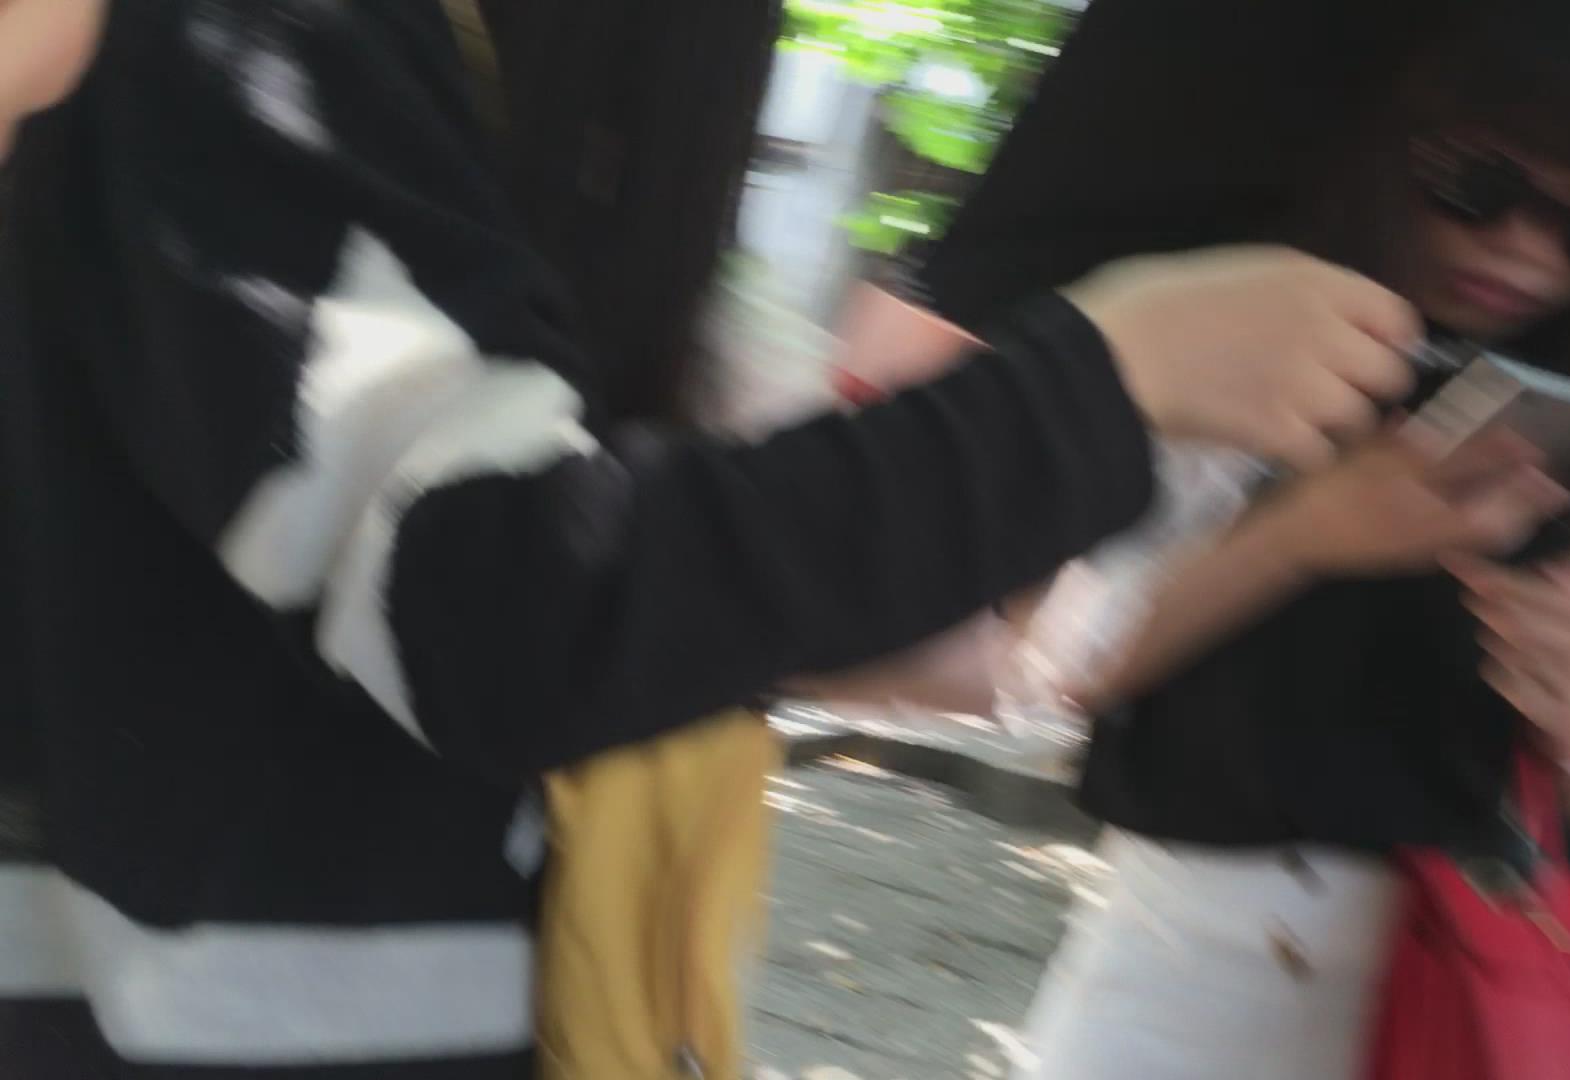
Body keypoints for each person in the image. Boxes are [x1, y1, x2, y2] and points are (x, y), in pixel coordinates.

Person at [0, 1, 1459, 1076]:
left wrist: (827, 596)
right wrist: (1111, 381)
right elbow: (492, 601)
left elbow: (545, 539)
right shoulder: (265, 37)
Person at [828, 4, 1570, 1077]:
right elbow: (1049, 666)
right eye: (1481, 185)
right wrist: (1307, 534)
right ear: (1393, 144)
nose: (1526, 250)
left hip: (1472, 986)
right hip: (1186, 959)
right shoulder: (1251, 327)